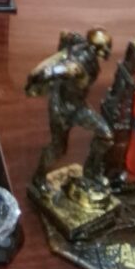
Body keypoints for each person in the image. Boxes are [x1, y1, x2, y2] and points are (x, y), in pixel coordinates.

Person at [25, 28, 114, 194]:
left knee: (106, 136)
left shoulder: (81, 46)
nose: (106, 53)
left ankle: (91, 173)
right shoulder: (77, 65)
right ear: (95, 49)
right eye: (103, 49)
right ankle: (39, 178)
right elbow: (48, 72)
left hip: (79, 106)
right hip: (62, 110)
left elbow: (66, 36)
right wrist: (40, 78)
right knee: (58, 149)